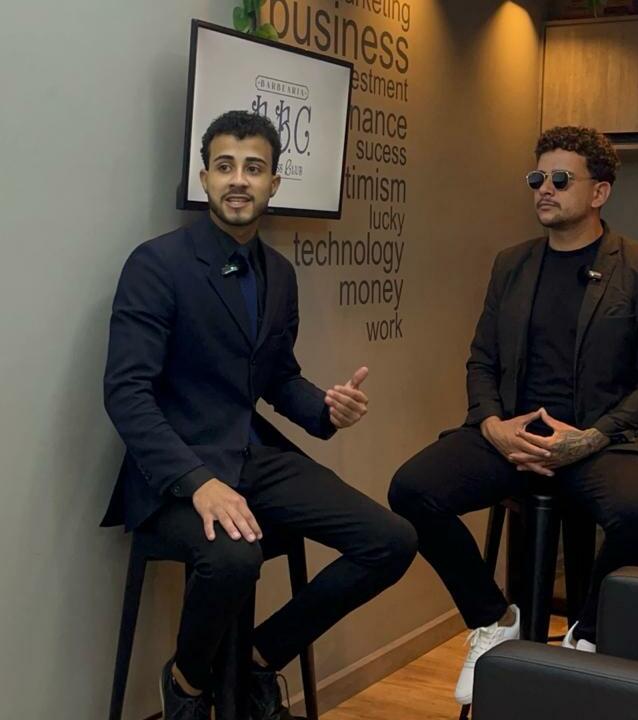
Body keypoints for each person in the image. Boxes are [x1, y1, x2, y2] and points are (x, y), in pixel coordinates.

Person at [102, 110, 417, 720]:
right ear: (204, 179)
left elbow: (276, 377)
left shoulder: (280, 273)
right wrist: (197, 482)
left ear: (274, 183)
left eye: (253, 168)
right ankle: (187, 685)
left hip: (253, 456)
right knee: (235, 557)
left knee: (391, 540)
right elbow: (126, 393)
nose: (238, 180)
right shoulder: (157, 264)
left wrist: (325, 408)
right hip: (175, 470)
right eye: (224, 167)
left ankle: (255, 659)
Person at [388, 125, 638, 706]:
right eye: (536, 178)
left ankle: (589, 635)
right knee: (412, 490)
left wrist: (593, 436)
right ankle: (495, 619)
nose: (543, 189)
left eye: (560, 179)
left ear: (599, 192)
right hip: (514, 436)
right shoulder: (512, 265)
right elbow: (481, 359)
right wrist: (492, 425)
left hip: (602, 440)